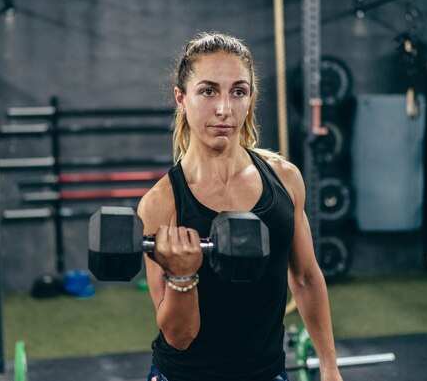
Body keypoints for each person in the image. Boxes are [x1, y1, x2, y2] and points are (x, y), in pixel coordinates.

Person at [137, 32, 343, 381]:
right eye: (208, 91)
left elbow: (306, 277)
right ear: (181, 98)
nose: (224, 109)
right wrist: (183, 276)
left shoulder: (285, 180)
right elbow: (179, 337)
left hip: (267, 373)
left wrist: (329, 366)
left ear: (250, 98)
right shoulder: (161, 203)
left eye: (238, 91)